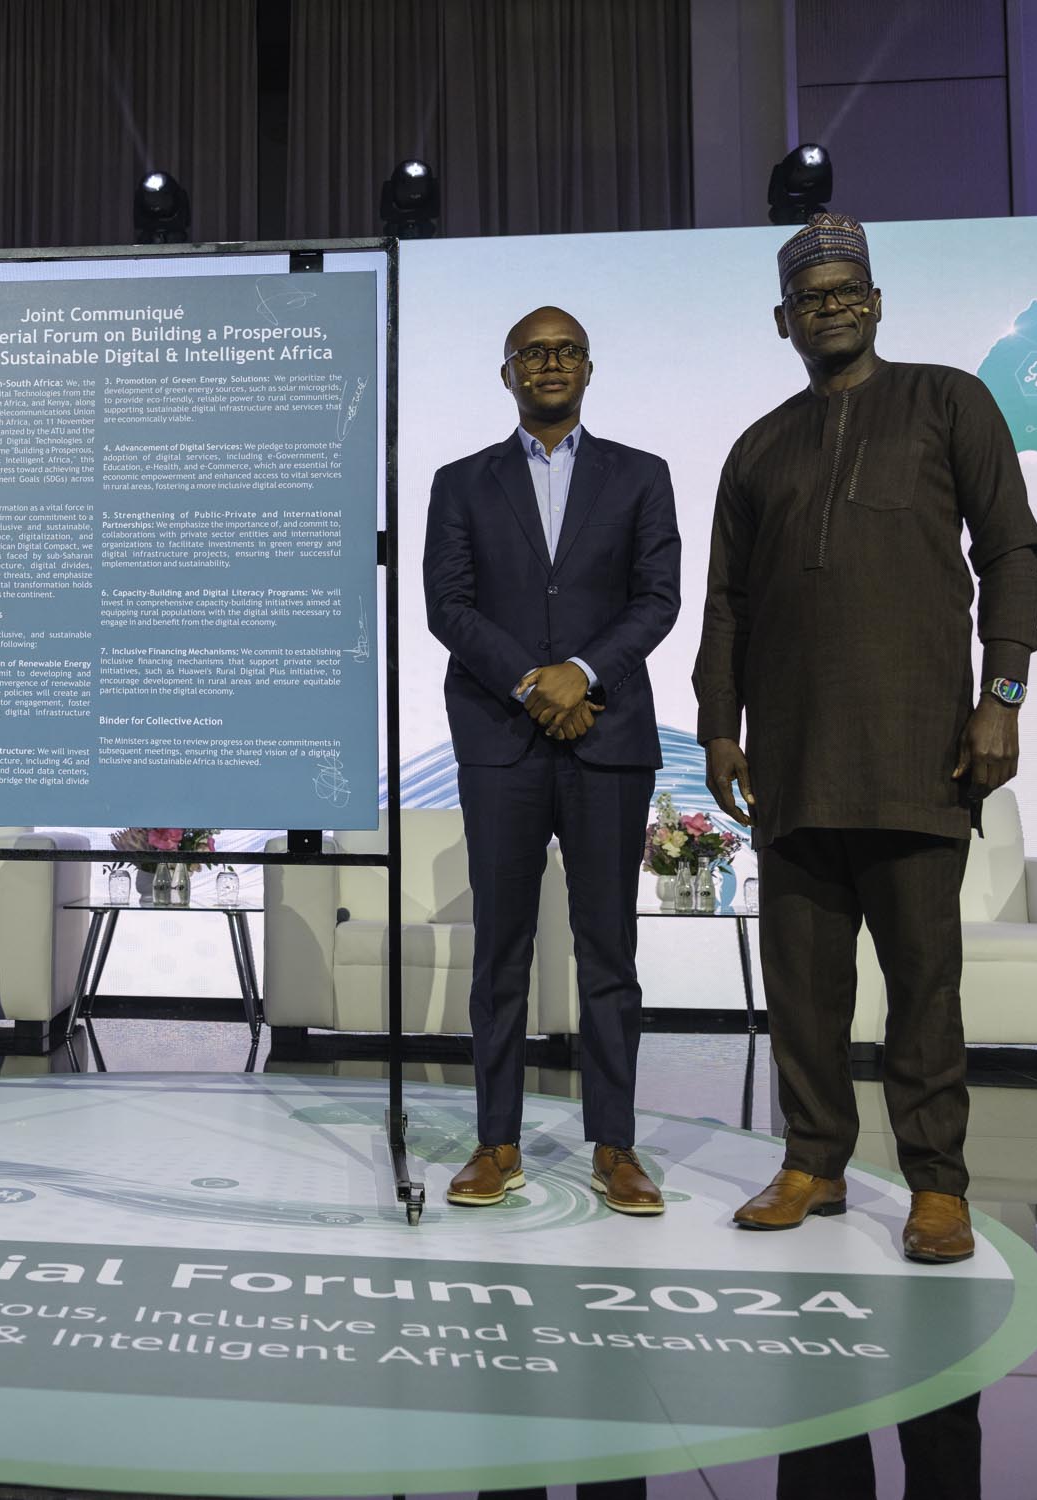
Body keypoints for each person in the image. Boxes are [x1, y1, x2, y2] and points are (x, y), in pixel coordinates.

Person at [692, 213, 1037, 1263]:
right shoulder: (758, 445)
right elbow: (725, 605)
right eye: (811, 296)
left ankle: (935, 1183)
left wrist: (1002, 695)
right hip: (795, 766)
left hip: (915, 752)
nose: (830, 306)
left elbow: (1012, 548)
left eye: (847, 290)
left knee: (922, 984)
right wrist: (718, 728)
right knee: (801, 986)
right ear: (780, 320)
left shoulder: (945, 400)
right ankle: (812, 1160)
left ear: (877, 301)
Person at [425, 306, 682, 1214]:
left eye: (565, 350)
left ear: (587, 367)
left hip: (608, 738)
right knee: (501, 948)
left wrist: (580, 675)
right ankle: (495, 1143)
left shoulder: (641, 476)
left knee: (609, 948)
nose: (549, 364)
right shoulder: (461, 482)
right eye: (531, 353)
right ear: (507, 374)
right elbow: (448, 607)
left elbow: (658, 600)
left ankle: (615, 1147)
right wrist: (534, 684)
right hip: (501, 740)